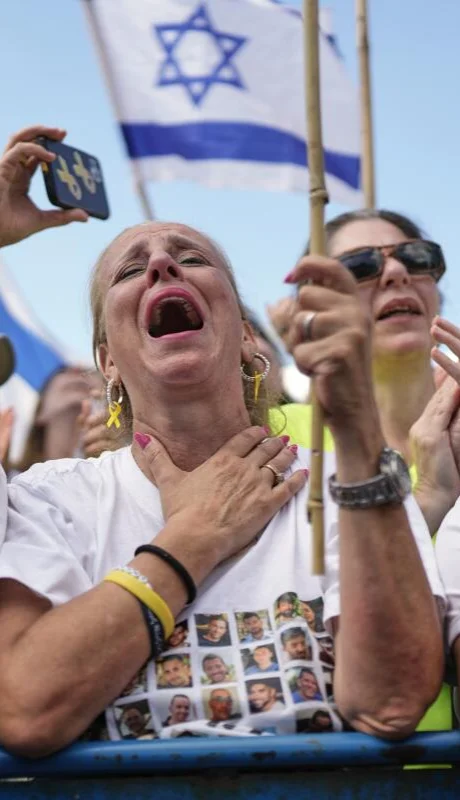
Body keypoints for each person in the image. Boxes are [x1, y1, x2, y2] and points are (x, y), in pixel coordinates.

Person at [0, 126, 444, 755]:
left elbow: (391, 702)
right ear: (107, 363)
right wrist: (193, 538)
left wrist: (356, 430)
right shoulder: (51, 499)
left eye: (193, 259)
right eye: (132, 269)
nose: (161, 265)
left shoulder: (350, 481)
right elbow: (25, 709)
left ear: (246, 336)